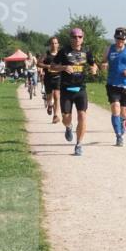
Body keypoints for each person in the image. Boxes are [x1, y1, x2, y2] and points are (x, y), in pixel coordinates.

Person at [51, 28, 98, 156]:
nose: (77, 39)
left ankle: (79, 144)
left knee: (82, 116)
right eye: (74, 37)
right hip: (66, 89)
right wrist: (64, 67)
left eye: (79, 37)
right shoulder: (63, 52)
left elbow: (93, 64)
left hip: (81, 89)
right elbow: (52, 66)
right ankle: (69, 127)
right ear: (70, 38)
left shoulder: (87, 51)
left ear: (83, 38)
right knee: (66, 118)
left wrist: (94, 69)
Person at [102, 27, 126, 146]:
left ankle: (123, 123)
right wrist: (103, 64)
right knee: (115, 109)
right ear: (114, 37)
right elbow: (103, 61)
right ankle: (118, 136)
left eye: (121, 39)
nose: (119, 41)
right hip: (112, 84)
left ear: (125, 39)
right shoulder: (109, 48)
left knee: (124, 113)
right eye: (117, 38)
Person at [39, 37, 62, 124]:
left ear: (58, 44)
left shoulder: (61, 54)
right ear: (50, 45)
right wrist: (47, 66)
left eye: (56, 43)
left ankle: (55, 116)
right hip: (48, 78)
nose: (54, 45)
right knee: (49, 96)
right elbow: (38, 63)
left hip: (58, 77)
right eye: (52, 43)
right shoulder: (46, 54)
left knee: (56, 96)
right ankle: (50, 105)